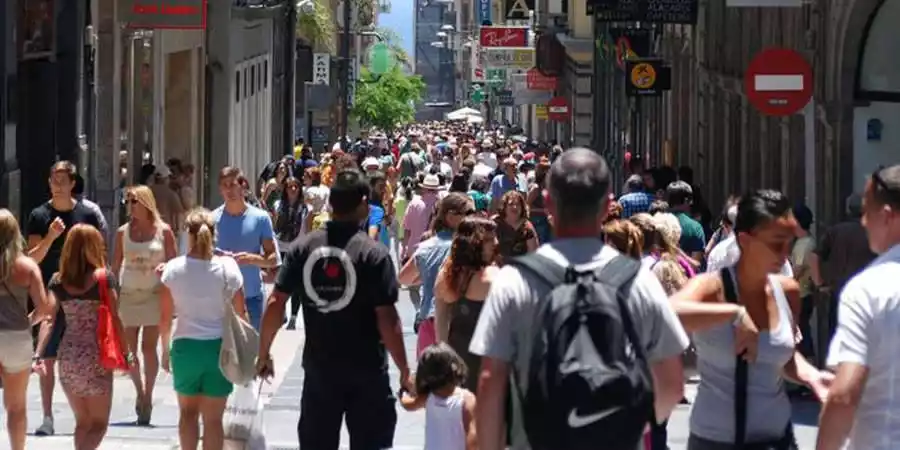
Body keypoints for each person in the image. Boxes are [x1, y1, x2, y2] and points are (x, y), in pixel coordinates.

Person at [469, 148, 690, 450]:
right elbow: (671, 383)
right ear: (608, 205)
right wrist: (627, 428)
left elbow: (490, 382)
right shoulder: (637, 279)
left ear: (547, 203)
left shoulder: (515, 280)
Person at [256, 169, 413, 450]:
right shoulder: (373, 255)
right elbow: (388, 320)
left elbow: (275, 302)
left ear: (331, 204)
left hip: (320, 372)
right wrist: (404, 369)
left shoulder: (303, 248)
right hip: (367, 373)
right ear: (364, 203)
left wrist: (263, 353)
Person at [670, 189, 832, 449]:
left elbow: (784, 358)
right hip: (716, 441)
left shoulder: (787, 291)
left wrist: (812, 376)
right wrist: (735, 313)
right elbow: (669, 312)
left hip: (777, 439)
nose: (784, 253)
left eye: (789, 243)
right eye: (776, 243)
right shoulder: (712, 288)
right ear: (745, 240)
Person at [817, 166, 900, 450]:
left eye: (867, 212)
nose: (863, 222)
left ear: (887, 216)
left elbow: (843, 396)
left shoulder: (871, 288)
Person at [26, 160, 106, 436]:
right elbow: (31, 259)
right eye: (53, 180)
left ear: (73, 183)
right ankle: (47, 416)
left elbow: (98, 253)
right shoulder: (39, 215)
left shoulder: (87, 214)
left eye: (63, 180)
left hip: (84, 294)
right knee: (46, 355)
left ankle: (82, 415)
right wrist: (50, 238)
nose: (57, 185)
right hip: (50, 290)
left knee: (82, 355)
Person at [36, 224, 129, 450]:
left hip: (67, 356)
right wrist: (128, 353)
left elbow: (48, 318)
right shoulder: (103, 278)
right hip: (96, 355)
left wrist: (38, 353)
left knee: (83, 423)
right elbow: (116, 318)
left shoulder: (58, 281)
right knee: (99, 424)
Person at [159, 208, 245, 450]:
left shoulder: (173, 270)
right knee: (214, 420)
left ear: (188, 233)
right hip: (219, 349)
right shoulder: (228, 267)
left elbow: (165, 319)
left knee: (187, 414)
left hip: (185, 347)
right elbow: (242, 313)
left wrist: (165, 351)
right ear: (214, 233)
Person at [111, 185, 177, 425]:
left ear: (146, 203)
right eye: (128, 201)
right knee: (129, 350)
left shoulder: (164, 231)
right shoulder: (122, 232)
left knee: (149, 348)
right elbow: (115, 266)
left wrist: (173, 296)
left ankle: (148, 395)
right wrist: (111, 294)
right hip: (129, 294)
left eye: (134, 201)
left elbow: (174, 264)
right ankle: (139, 391)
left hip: (154, 294)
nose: (130, 206)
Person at [0, 209, 53, 450]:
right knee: (16, 406)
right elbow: (43, 309)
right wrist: (27, 321)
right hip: (16, 339)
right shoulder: (27, 267)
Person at [434, 216, 499, 391]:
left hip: (458, 355)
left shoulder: (446, 275)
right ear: (474, 242)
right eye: (489, 239)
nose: (496, 242)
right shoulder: (489, 278)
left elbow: (441, 321)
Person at [213, 166, 278, 330]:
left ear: (243, 186)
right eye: (225, 185)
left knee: (250, 352)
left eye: (233, 184)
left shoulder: (261, 218)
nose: (229, 190)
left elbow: (273, 259)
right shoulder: (212, 219)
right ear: (220, 189)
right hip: (219, 299)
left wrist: (251, 259)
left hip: (251, 299)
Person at [399, 343, 478, 450]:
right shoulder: (466, 399)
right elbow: (472, 435)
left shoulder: (428, 397)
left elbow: (408, 404)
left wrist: (403, 392)